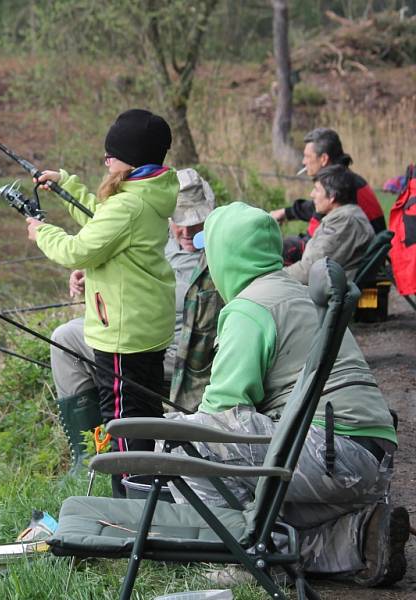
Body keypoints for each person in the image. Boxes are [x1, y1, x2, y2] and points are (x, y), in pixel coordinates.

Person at [164, 202, 406, 585]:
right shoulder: (293, 290)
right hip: (368, 459)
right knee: (253, 496)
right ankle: (356, 538)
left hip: (330, 455)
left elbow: (220, 413)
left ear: (225, 255)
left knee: (183, 443)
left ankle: (242, 558)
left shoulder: (249, 307)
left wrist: (173, 426)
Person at [26, 108, 178, 496]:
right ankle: (151, 490)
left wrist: (43, 232)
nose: (106, 159)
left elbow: (80, 249)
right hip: (144, 323)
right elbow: (103, 219)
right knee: (143, 414)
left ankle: (131, 500)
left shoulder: (128, 205)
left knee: (122, 420)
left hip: (122, 334)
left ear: (131, 155)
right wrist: (68, 185)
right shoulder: (147, 192)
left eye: (111, 152)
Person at [49, 169, 221, 470]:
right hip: (140, 333)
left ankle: (126, 456)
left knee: (110, 346)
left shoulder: (219, 251)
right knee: (65, 337)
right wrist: (91, 276)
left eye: (195, 223)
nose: (186, 232)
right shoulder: (157, 237)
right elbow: (123, 262)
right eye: (179, 222)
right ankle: (90, 450)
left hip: (178, 353)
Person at [270, 128, 385, 265]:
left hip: (356, 259)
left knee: (277, 249)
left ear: (324, 159)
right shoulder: (341, 179)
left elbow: (317, 240)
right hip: (353, 250)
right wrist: (286, 213)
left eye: (307, 156)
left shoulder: (342, 184)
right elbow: (314, 207)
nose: (304, 162)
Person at [284, 165, 374, 284]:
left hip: (325, 293)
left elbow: (309, 271)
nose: (312, 194)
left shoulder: (344, 222)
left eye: (316, 189)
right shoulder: (346, 216)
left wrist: (274, 277)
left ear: (332, 196)